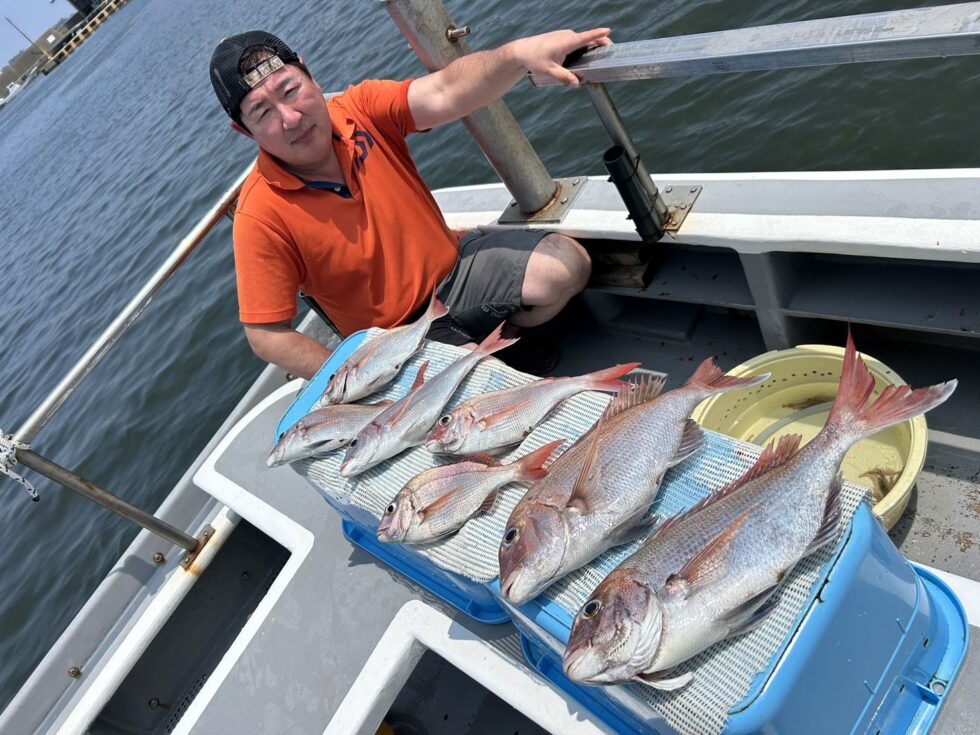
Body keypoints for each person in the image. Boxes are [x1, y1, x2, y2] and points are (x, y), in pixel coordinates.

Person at [209, 27, 610, 379]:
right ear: (244, 131)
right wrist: (349, 379)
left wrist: (518, 55)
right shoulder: (260, 216)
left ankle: (505, 340)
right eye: (262, 112)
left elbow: (446, 89)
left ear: (309, 74)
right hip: (398, 335)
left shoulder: (359, 109)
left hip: (455, 269)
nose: (291, 118)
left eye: (290, 90)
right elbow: (265, 334)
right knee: (483, 388)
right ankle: (485, 358)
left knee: (568, 266)